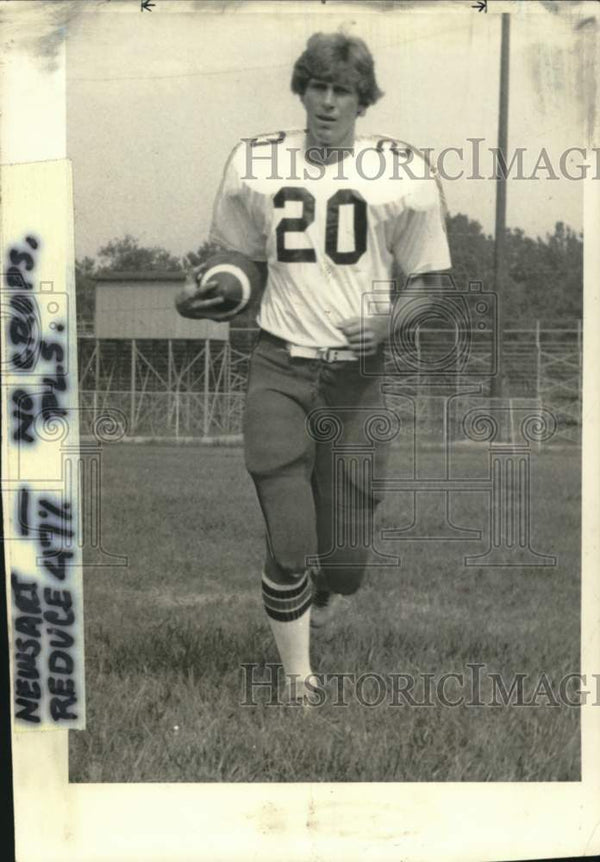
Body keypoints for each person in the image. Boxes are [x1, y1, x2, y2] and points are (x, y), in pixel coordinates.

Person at [177, 32, 451, 701]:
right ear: (302, 90)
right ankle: (299, 682)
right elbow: (236, 257)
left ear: (364, 99)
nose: (328, 102)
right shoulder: (256, 161)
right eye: (318, 87)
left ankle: (325, 590)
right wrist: (212, 293)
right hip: (279, 366)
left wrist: (385, 321)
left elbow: (432, 282)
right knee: (291, 539)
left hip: (357, 381)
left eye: (344, 90)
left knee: (348, 565)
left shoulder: (402, 172)